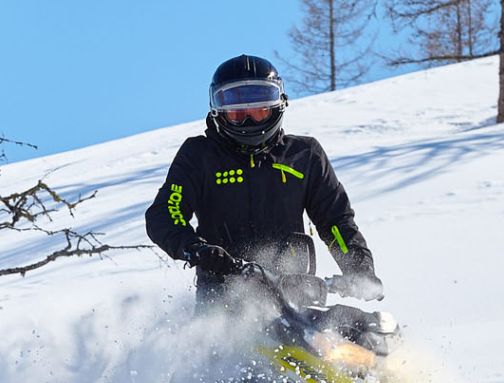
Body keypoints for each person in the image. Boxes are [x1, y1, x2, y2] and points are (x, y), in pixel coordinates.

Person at [145, 54, 383, 301]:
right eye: (237, 113)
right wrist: (197, 249)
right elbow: (165, 214)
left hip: (295, 293)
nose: (248, 119)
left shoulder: (304, 154)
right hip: (222, 296)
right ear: (218, 111)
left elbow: (335, 220)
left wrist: (360, 270)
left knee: (363, 323)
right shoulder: (199, 155)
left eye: (259, 111)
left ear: (278, 104)